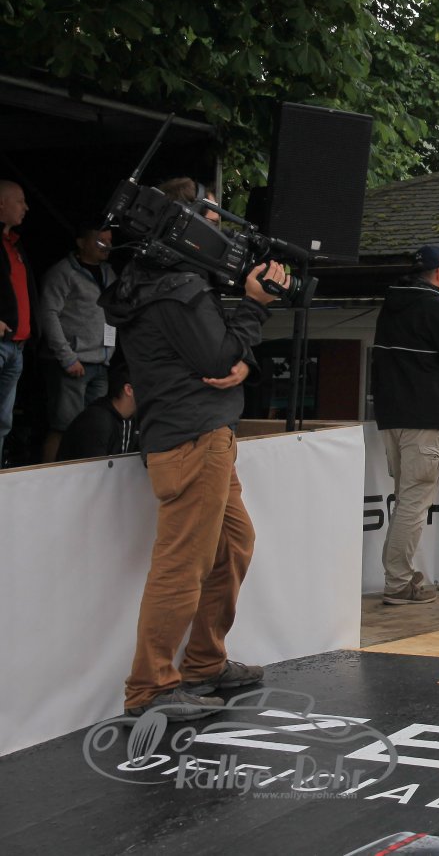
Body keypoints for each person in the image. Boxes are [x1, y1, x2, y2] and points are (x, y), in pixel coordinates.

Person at [100, 177, 285, 720]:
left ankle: (204, 663)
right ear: (181, 224)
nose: (220, 233)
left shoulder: (159, 281)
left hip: (200, 435)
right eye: (211, 219)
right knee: (183, 565)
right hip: (193, 439)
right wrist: (254, 306)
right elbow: (220, 357)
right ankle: (149, 688)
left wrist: (242, 359)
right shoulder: (178, 288)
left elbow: (225, 356)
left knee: (233, 545)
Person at [370, 243, 439, 606]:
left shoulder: (391, 304)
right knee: (413, 502)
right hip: (422, 416)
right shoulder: (433, 306)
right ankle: (398, 582)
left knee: (405, 499)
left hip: (390, 416)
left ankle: (398, 578)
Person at [38, 224, 116, 462]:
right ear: (81, 243)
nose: (107, 246)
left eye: (109, 241)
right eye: (100, 241)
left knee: (94, 427)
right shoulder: (63, 272)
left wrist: (109, 353)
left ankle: (85, 477)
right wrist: (67, 357)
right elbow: (48, 314)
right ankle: (51, 475)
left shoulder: (109, 273)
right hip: (73, 363)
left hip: (101, 362)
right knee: (64, 426)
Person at [0, 179, 34, 467]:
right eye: (20, 201)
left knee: (4, 420)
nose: (26, 207)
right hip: (2, 343)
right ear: (2, 203)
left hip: (16, 346)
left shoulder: (15, 243)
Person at [57, 357, 139, 460]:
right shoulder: (97, 420)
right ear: (128, 390)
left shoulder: (133, 419)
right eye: (148, 386)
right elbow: (93, 468)